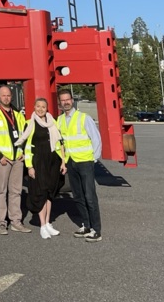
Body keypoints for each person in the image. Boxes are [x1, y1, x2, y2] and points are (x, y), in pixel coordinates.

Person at [57, 89, 103, 242]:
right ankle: (86, 225)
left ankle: (96, 230)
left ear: (72, 100)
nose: (65, 102)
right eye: (63, 100)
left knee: (90, 196)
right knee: (78, 197)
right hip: (72, 162)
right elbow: (60, 142)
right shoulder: (60, 120)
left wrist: (93, 159)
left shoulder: (84, 118)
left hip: (85, 162)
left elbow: (96, 139)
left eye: (67, 99)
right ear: (60, 102)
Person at [0, 85, 31, 235]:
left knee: (16, 192)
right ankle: (1, 222)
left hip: (17, 159)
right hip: (2, 159)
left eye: (8, 95)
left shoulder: (18, 114)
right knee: (1, 191)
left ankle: (16, 221)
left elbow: (24, 135)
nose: (6, 98)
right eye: (3, 95)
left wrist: (23, 152)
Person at [17, 97, 65, 239]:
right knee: (41, 193)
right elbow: (27, 147)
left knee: (50, 192)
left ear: (47, 108)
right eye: (38, 106)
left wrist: (63, 161)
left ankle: (48, 223)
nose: (40, 109)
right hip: (38, 162)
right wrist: (29, 166)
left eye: (43, 107)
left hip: (53, 161)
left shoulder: (52, 122)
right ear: (34, 107)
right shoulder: (29, 124)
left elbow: (60, 142)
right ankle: (42, 225)